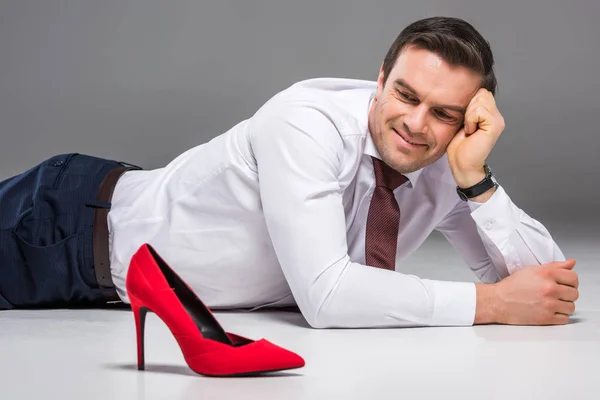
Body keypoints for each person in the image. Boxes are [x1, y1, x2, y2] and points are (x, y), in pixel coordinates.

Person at [0, 16, 579, 329]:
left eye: (444, 113)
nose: (416, 124)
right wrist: (492, 305)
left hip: (108, 259)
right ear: (380, 80)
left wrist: (477, 181)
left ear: (466, 120)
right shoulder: (306, 122)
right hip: (65, 227)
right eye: (405, 94)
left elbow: (548, 289)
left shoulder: (444, 161)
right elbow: (327, 297)